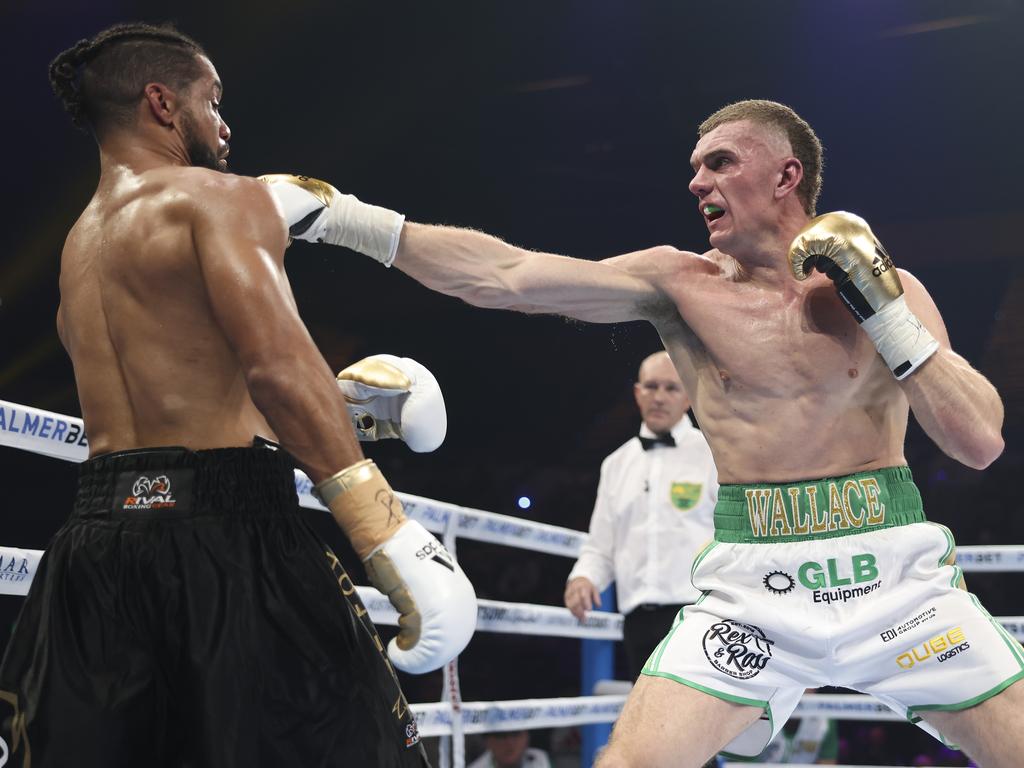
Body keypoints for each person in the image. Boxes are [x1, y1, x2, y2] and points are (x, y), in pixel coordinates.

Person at [264, 98, 1023, 767]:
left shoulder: (889, 285)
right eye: (695, 168)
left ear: (787, 176)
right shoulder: (678, 285)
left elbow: (979, 442)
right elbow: (506, 276)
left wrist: (884, 309)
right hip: (754, 592)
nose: (698, 183)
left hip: (897, 582)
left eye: (721, 163)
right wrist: (344, 217)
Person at [0, 22, 477, 767]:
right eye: (211, 99)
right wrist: (387, 535)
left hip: (94, 549)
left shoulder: (79, 248)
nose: (225, 122)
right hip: (229, 537)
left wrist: (340, 404)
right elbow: (277, 370)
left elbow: (182, 400)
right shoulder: (222, 198)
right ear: (162, 102)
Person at [564, 350, 717, 680]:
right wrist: (582, 577)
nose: (659, 397)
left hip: (698, 613)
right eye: (651, 386)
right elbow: (601, 546)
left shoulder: (713, 454)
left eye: (671, 388)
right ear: (637, 393)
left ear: (689, 395)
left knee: (696, 724)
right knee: (654, 725)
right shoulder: (616, 464)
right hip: (636, 621)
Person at [468, 730, 552, 768]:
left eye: (515, 735)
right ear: (488, 741)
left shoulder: (539, 758)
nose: (509, 743)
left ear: (527, 737)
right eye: (501, 736)